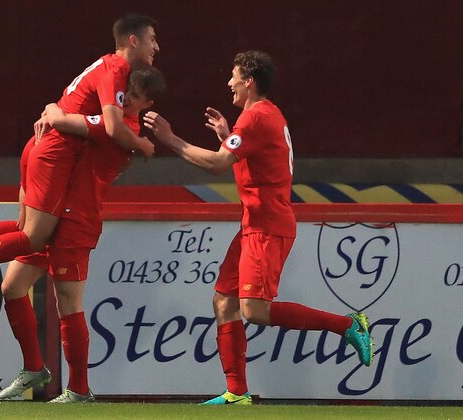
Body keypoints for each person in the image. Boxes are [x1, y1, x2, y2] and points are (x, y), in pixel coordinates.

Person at [0, 64, 166, 403]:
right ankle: (34, 368)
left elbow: (62, 118)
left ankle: (79, 389)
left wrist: (51, 109)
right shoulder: (111, 119)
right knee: (12, 285)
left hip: (77, 219)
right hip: (60, 208)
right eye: (125, 94)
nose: (126, 101)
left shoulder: (118, 126)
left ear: (148, 104)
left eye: (136, 98)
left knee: (68, 302)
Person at [143, 50, 373, 405]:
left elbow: (220, 164)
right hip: (255, 223)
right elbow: (247, 158)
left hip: (267, 226)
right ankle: (236, 392)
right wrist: (226, 133)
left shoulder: (256, 118)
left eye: (234, 76)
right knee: (224, 301)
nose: (229, 83)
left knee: (255, 310)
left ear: (249, 81)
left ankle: (348, 326)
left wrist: (171, 139)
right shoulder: (263, 116)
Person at [0, 13, 160, 307]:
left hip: (41, 146)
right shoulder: (116, 70)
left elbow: (73, 111)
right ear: (133, 41)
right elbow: (112, 127)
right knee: (33, 239)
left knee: (23, 232)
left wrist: (53, 110)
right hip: (55, 154)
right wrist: (141, 145)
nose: (156, 46)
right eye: (152, 39)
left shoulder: (104, 65)